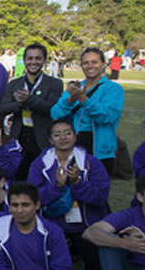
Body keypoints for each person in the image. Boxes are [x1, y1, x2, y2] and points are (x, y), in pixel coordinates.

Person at [28, 119, 110, 270]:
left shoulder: (91, 162)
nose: (63, 138)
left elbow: (101, 197)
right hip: (53, 223)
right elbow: (33, 197)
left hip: (85, 224)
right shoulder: (41, 164)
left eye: (67, 133)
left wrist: (79, 183)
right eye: (57, 135)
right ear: (50, 140)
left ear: (75, 136)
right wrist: (57, 186)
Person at [50, 47, 124, 176]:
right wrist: (71, 100)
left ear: (103, 64)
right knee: (72, 184)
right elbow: (55, 114)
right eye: (85, 63)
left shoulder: (113, 89)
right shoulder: (74, 88)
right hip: (73, 145)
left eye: (94, 62)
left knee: (97, 185)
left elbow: (106, 117)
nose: (90, 66)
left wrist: (84, 99)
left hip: (100, 149)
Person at [0, 42, 63, 180]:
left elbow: (53, 109)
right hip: (19, 138)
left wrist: (29, 100)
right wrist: (18, 104)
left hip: (43, 139)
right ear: (24, 60)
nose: (34, 62)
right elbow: (2, 108)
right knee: (19, 180)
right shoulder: (14, 84)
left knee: (42, 181)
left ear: (44, 60)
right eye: (30, 58)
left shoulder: (55, 84)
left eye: (38, 58)